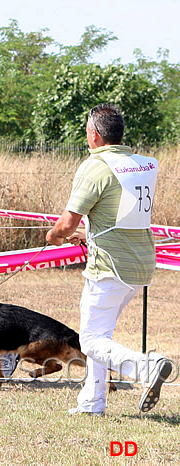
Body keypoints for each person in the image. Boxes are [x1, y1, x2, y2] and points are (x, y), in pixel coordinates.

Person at [46, 103, 172, 415]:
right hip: (140, 262)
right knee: (100, 335)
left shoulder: (96, 166)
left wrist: (55, 236)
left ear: (94, 135)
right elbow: (120, 216)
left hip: (110, 266)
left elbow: (66, 222)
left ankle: (146, 367)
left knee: (89, 342)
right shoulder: (144, 164)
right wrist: (87, 235)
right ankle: (92, 403)